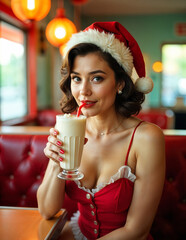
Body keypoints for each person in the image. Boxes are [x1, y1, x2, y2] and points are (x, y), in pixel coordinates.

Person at [37, 22, 165, 240]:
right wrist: (55, 161)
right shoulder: (68, 127)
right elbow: (47, 210)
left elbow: (137, 231)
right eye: (77, 78)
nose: (83, 91)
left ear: (120, 84)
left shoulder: (146, 138)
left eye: (97, 78)